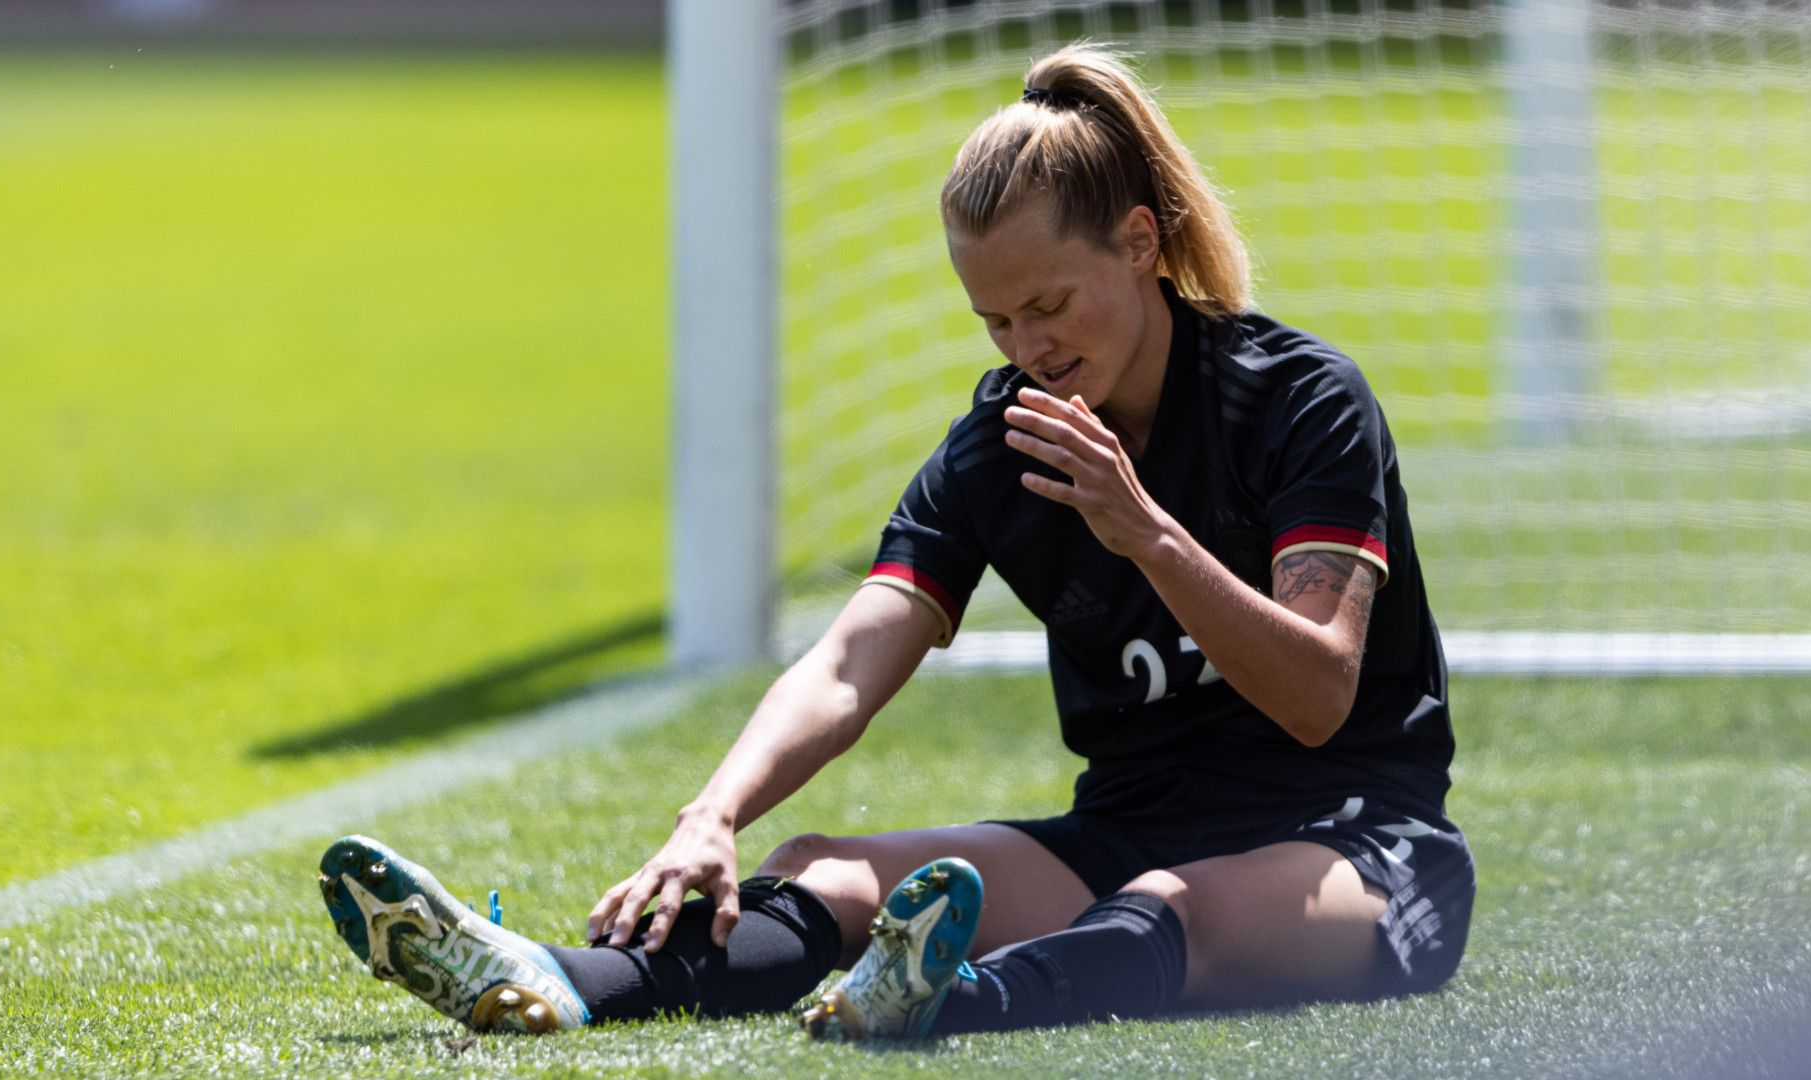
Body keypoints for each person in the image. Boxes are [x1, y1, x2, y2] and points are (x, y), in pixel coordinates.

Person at [316, 42, 1473, 1040]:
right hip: (1130, 834)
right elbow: (846, 661)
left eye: (1052, 305)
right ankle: (556, 982)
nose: (1029, 345)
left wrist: (1147, 535)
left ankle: (944, 1003)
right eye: (996, 319)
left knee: (1173, 908)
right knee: (822, 864)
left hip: (1355, 850)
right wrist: (712, 816)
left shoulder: (1299, 399)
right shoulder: (1002, 444)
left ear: (1137, 242)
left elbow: (1321, 692)